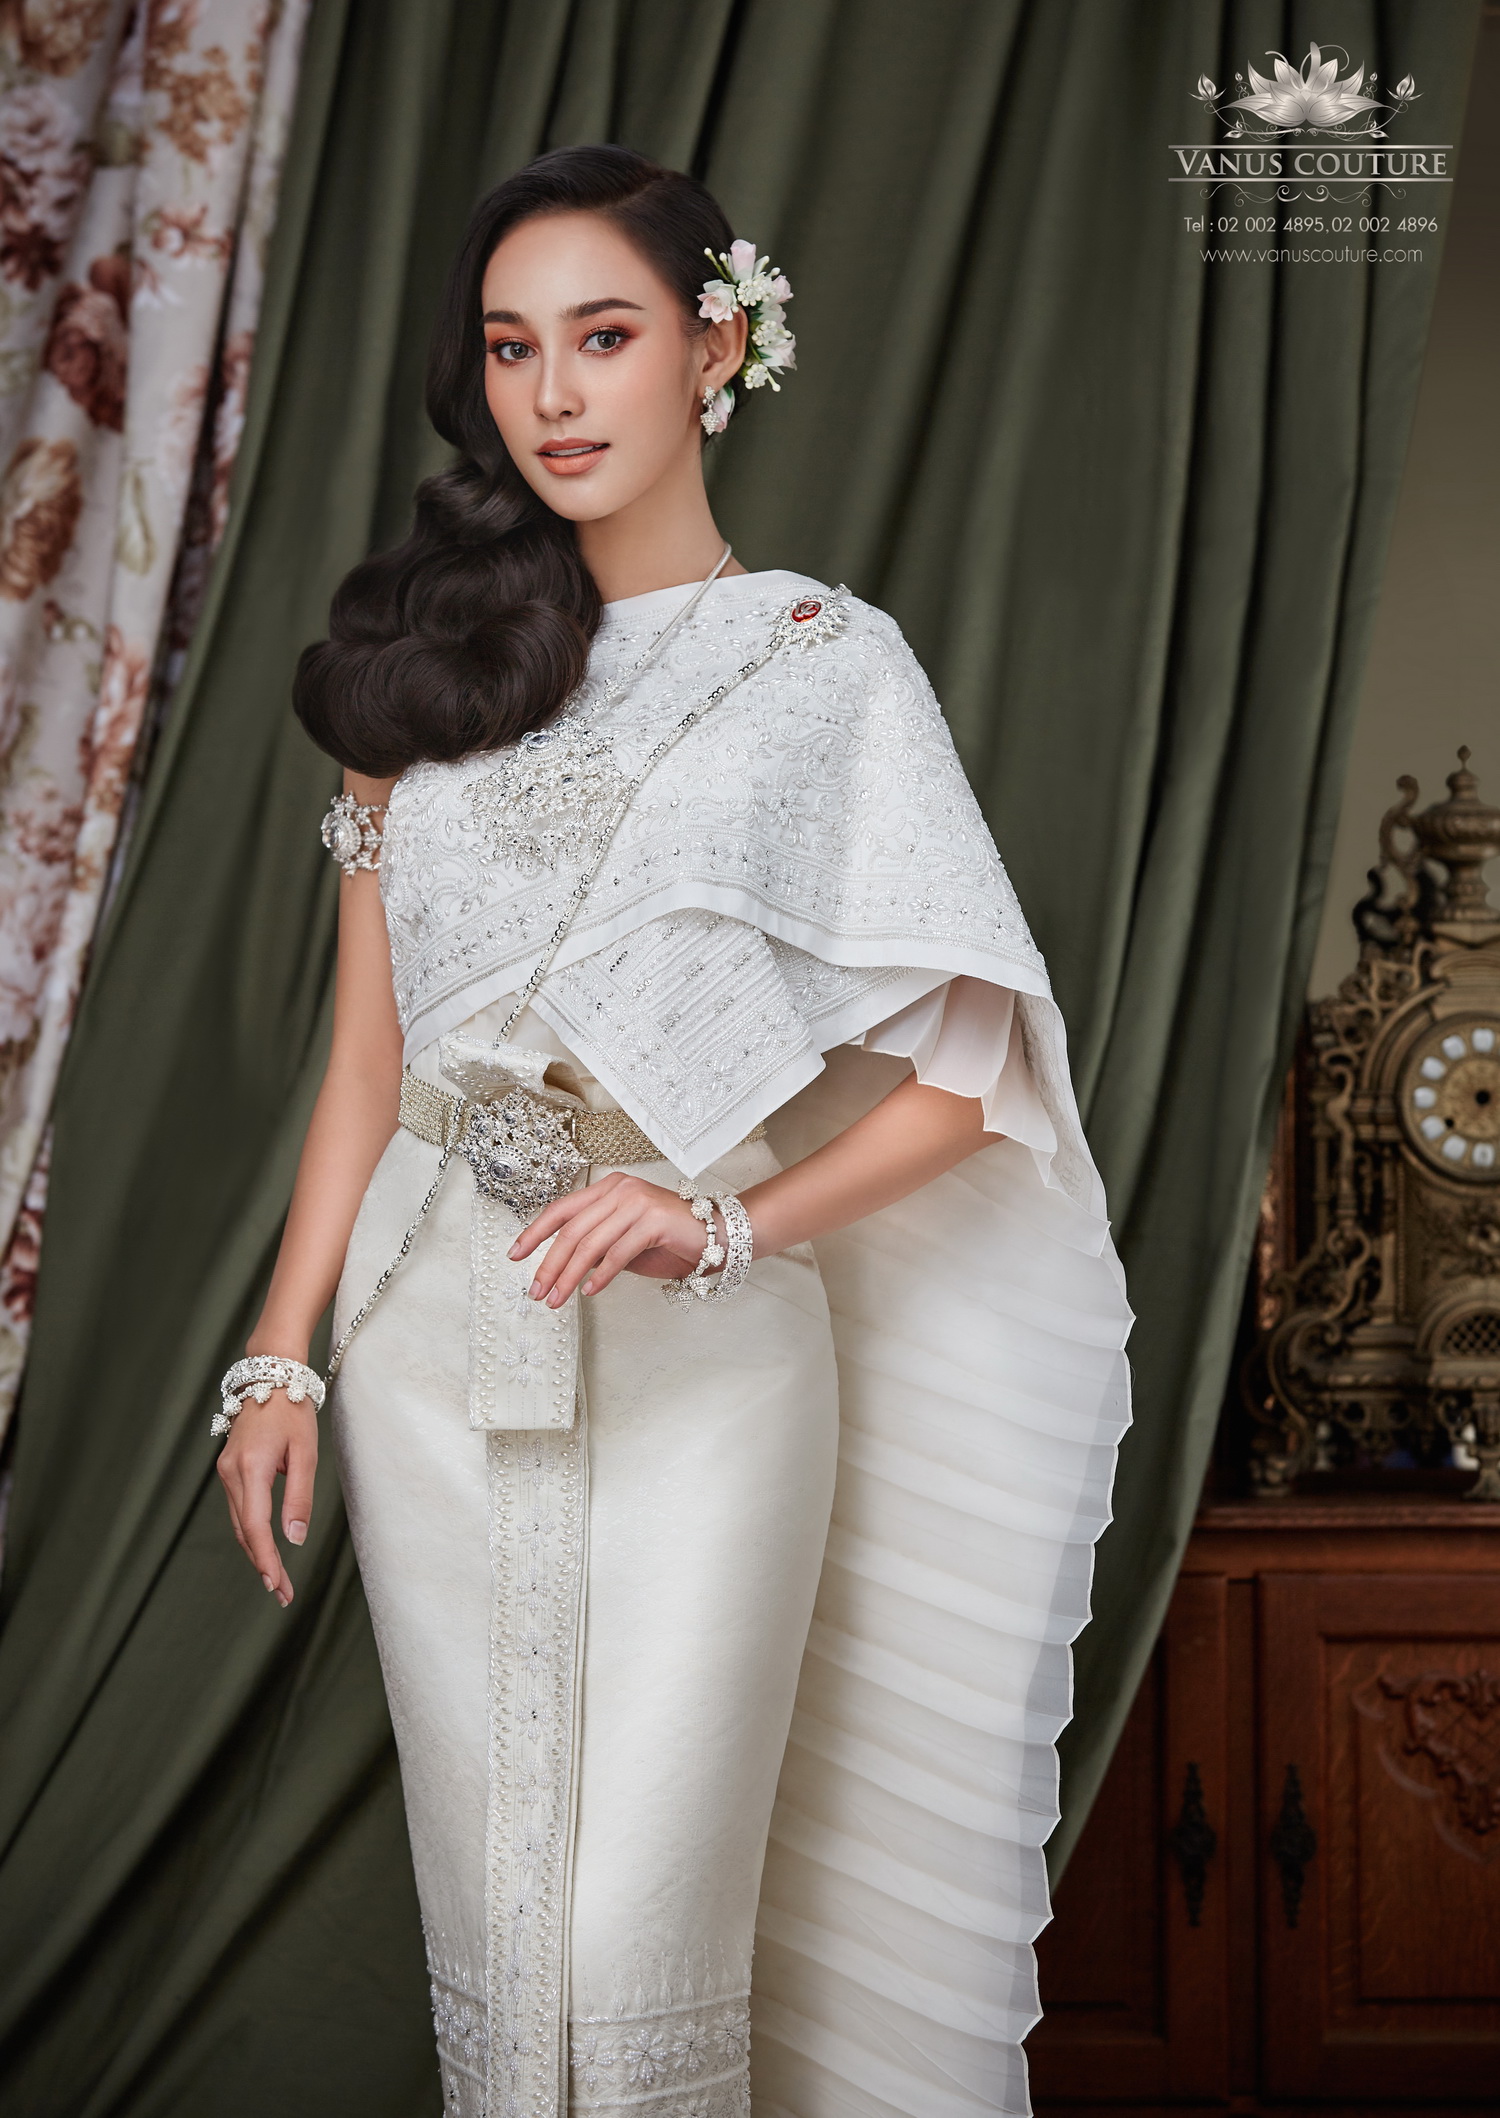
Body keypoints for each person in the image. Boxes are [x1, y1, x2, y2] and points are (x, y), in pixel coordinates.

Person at [212, 144, 1131, 2118]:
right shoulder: (425, 681)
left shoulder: (822, 664)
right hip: (428, 1340)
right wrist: (282, 1358)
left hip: (712, 1358)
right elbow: (369, 1071)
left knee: (640, 1932)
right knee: (500, 1923)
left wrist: (722, 1226)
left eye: (605, 336)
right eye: (511, 347)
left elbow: (976, 1070)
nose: (554, 393)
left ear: (717, 349)